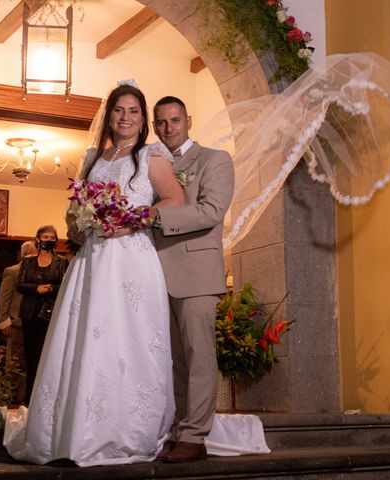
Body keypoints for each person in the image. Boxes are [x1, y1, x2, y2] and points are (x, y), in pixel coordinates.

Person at [3, 83, 185, 466]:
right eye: (119, 110)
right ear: (109, 115)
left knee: (128, 335)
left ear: (143, 118)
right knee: (85, 333)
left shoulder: (152, 155)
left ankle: (126, 429)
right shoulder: (91, 158)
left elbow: (174, 200)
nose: (125, 118)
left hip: (132, 257)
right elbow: (73, 211)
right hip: (93, 258)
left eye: (134, 111)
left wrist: (133, 220)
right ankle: (74, 429)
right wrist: (79, 227)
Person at [151, 96, 234, 462]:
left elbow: (211, 210)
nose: (169, 128)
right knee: (176, 361)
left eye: (175, 121)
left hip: (197, 275)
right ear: (155, 127)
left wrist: (153, 217)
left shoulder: (214, 159)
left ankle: (196, 437)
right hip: (156, 276)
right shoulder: (152, 163)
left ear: (188, 120)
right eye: (162, 123)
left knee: (199, 357)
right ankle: (180, 430)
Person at [15, 225, 69, 404]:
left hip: (50, 313)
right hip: (29, 314)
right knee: (30, 358)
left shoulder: (62, 261)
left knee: (45, 357)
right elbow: (20, 285)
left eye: (51, 236)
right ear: (37, 239)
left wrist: (51, 288)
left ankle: (45, 400)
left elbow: (66, 286)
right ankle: (29, 399)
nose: (48, 239)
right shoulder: (28, 261)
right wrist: (36, 288)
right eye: (44, 236)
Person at [0, 240, 38, 405]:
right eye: (34, 253)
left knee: (30, 362)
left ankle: (27, 397)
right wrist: (5, 321)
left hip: (33, 323)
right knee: (15, 362)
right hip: (16, 323)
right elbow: (4, 299)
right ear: (26, 253)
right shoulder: (12, 271)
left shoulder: (38, 273)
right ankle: (12, 397)